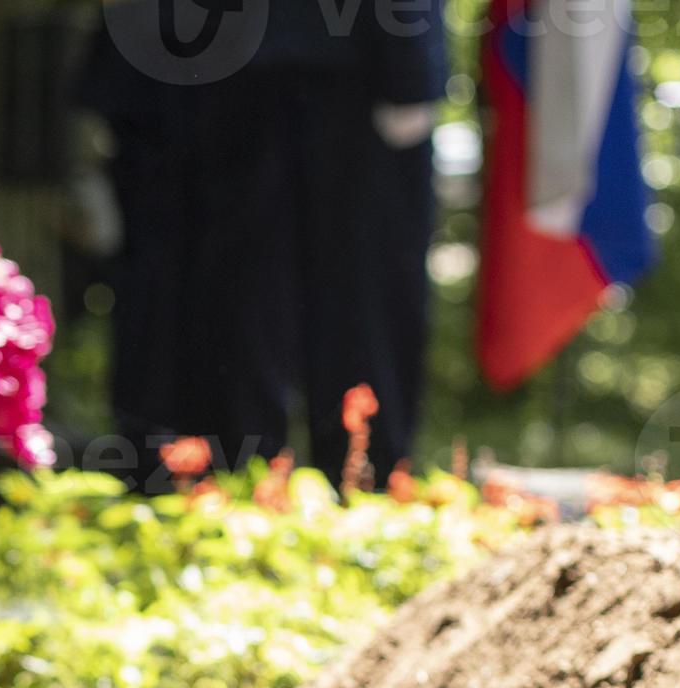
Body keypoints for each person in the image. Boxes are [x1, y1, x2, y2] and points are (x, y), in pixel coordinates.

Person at [75, 0, 446, 479]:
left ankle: (220, 485)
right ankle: (339, 488)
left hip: (201, 57)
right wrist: (411, 61)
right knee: (338, 294)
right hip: (327, 60)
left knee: (224, 292)